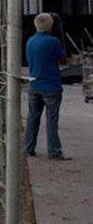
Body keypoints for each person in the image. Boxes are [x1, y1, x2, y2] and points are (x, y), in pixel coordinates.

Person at [24, 13, 70, 160]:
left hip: (34, 84)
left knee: (32, 118)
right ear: (50, 25)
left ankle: (29, 148)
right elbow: (63, 61)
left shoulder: (30, 41)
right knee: (51, 119)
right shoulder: (53, 41)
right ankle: (54, 151)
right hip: (51, 86)